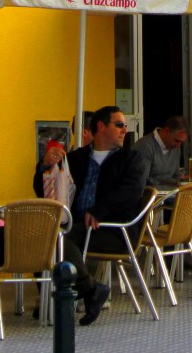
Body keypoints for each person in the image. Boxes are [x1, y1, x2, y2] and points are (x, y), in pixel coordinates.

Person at [34, 106, 148, 326]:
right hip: (77, 226)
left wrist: (99, 210)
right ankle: (87, 290)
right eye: (119, 124)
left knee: (58, 240)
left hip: (115, 229)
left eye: (125, 125)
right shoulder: (76, 158)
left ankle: (80, 293)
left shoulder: (133, 159)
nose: (125, 129)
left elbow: (131, 193)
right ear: (100, 127)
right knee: (41, 237)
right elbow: (46, 190)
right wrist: (44, 166)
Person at [132, 115, 188, 187]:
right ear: (166, 131)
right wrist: (169, 182)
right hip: (149, 195)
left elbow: (176, 176)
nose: (179, 145)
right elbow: (142, 180)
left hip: (169, 195)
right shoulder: (145, 146)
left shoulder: (175, 148)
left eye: (181, 142)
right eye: (176, 140)